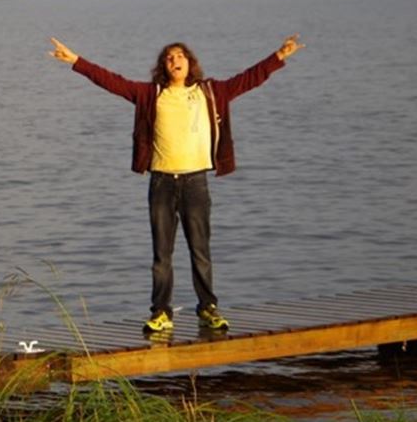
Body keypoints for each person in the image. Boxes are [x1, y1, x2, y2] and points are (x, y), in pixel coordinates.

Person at [49, 35, 304, 333]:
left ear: (190, 62)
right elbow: (111, 81)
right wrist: (75, 60)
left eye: (180, 55)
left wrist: (279, 55)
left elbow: (249, 79)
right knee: (162, 255)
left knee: (200, 251)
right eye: (169, 58)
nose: (175, 60)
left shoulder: (211, 92)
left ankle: (208, 308)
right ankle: (161, 313)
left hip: (196, 182)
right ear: (163, 67)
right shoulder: (150, 95)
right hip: (161, 183)